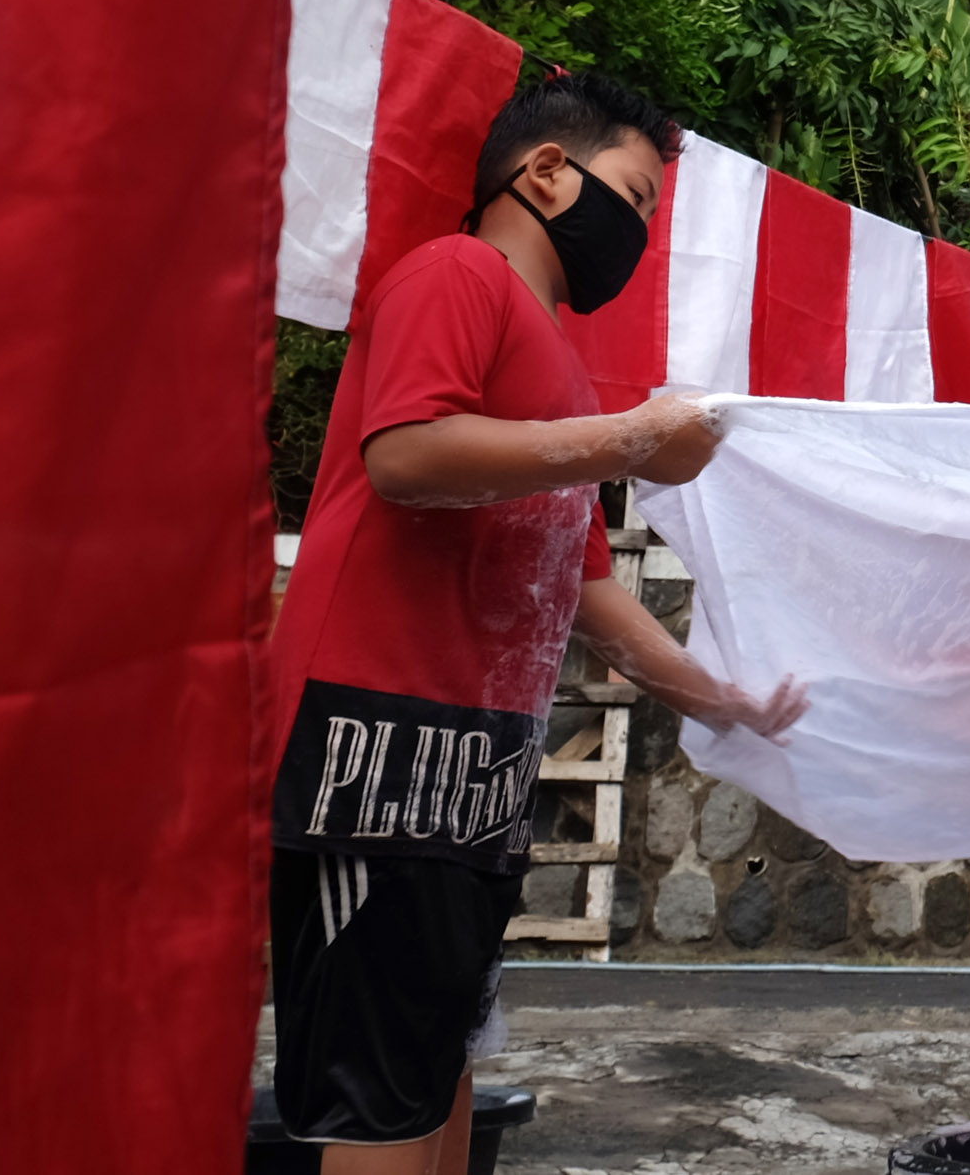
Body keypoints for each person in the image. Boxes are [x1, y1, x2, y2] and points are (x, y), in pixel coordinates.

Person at [268, 71, 810, 1173]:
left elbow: (581, 583)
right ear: (548, 173)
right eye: (636, 195)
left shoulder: (559, 362)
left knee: (440, 1065)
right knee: (379, 1096)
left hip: (477, 763)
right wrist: (626, 441)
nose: (641, 232)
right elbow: (407, 457)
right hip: (377, 741)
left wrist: (724, 700)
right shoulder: (454, 272)